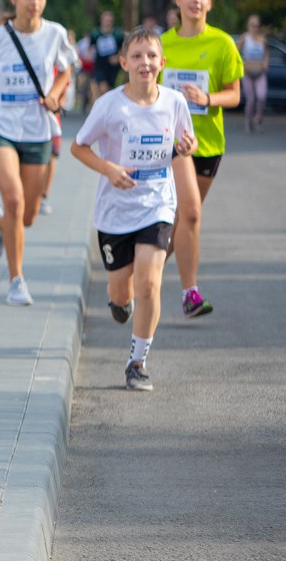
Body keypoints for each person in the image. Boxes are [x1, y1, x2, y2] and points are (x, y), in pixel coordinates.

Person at [71, 27, 197, 390]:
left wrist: (187, 146)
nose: (145, 62)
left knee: (149, 284)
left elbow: (185, 142)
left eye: (152, 56)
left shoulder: (174, 102)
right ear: (123, 62)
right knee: (121, 293)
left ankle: (137, 362)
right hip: (114, 212)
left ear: (163, 62)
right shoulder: (109, 105)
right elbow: (78, 147)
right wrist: (108, 169)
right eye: (137, 56)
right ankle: (119, 304)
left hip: (156, 204)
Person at [0, 0, 76, 306]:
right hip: (0, 126)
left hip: (37, 128)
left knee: (27, 215)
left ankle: (0, 225)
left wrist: (55, 93)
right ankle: (17, 281)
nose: (35, 2)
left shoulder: (55, 33)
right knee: (14, 200)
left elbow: (66, 69)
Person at [159, 0, 242, 318]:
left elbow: (235, 94)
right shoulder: (162, 43)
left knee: (179, 220)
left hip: (208, 144)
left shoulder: (222, 43)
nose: (196, 0)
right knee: (189, 212)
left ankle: (139, 272)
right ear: (177, 0)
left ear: (210, 3)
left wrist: (207, 97)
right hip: (171, 143)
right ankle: (189, 294)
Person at [236, 14, 268, 133]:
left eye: (257, 25)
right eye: (252, 25)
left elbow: (266, 54)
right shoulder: (245, 37)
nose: (255, 28)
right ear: (248, 26)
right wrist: (241, 64)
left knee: (261, 96)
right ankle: (248, 122)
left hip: (259, 72)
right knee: (251, 99)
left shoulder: (262, 39)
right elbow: (235, 50)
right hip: (248, 72)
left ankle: (258, 120)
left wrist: (265, 63)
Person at [88, 10, 124, 100]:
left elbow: (123, 48)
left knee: (109, 89)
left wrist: (117, 57)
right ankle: (100, 106)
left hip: (113, 65)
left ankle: (107, 105)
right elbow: (90, 47)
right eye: (106, 20)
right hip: (100, 64)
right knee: (102, 87)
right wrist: (89, 56)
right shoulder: (95, 33)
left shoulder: (117, 34)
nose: (108, 23)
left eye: (110, 21)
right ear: (101, 20)